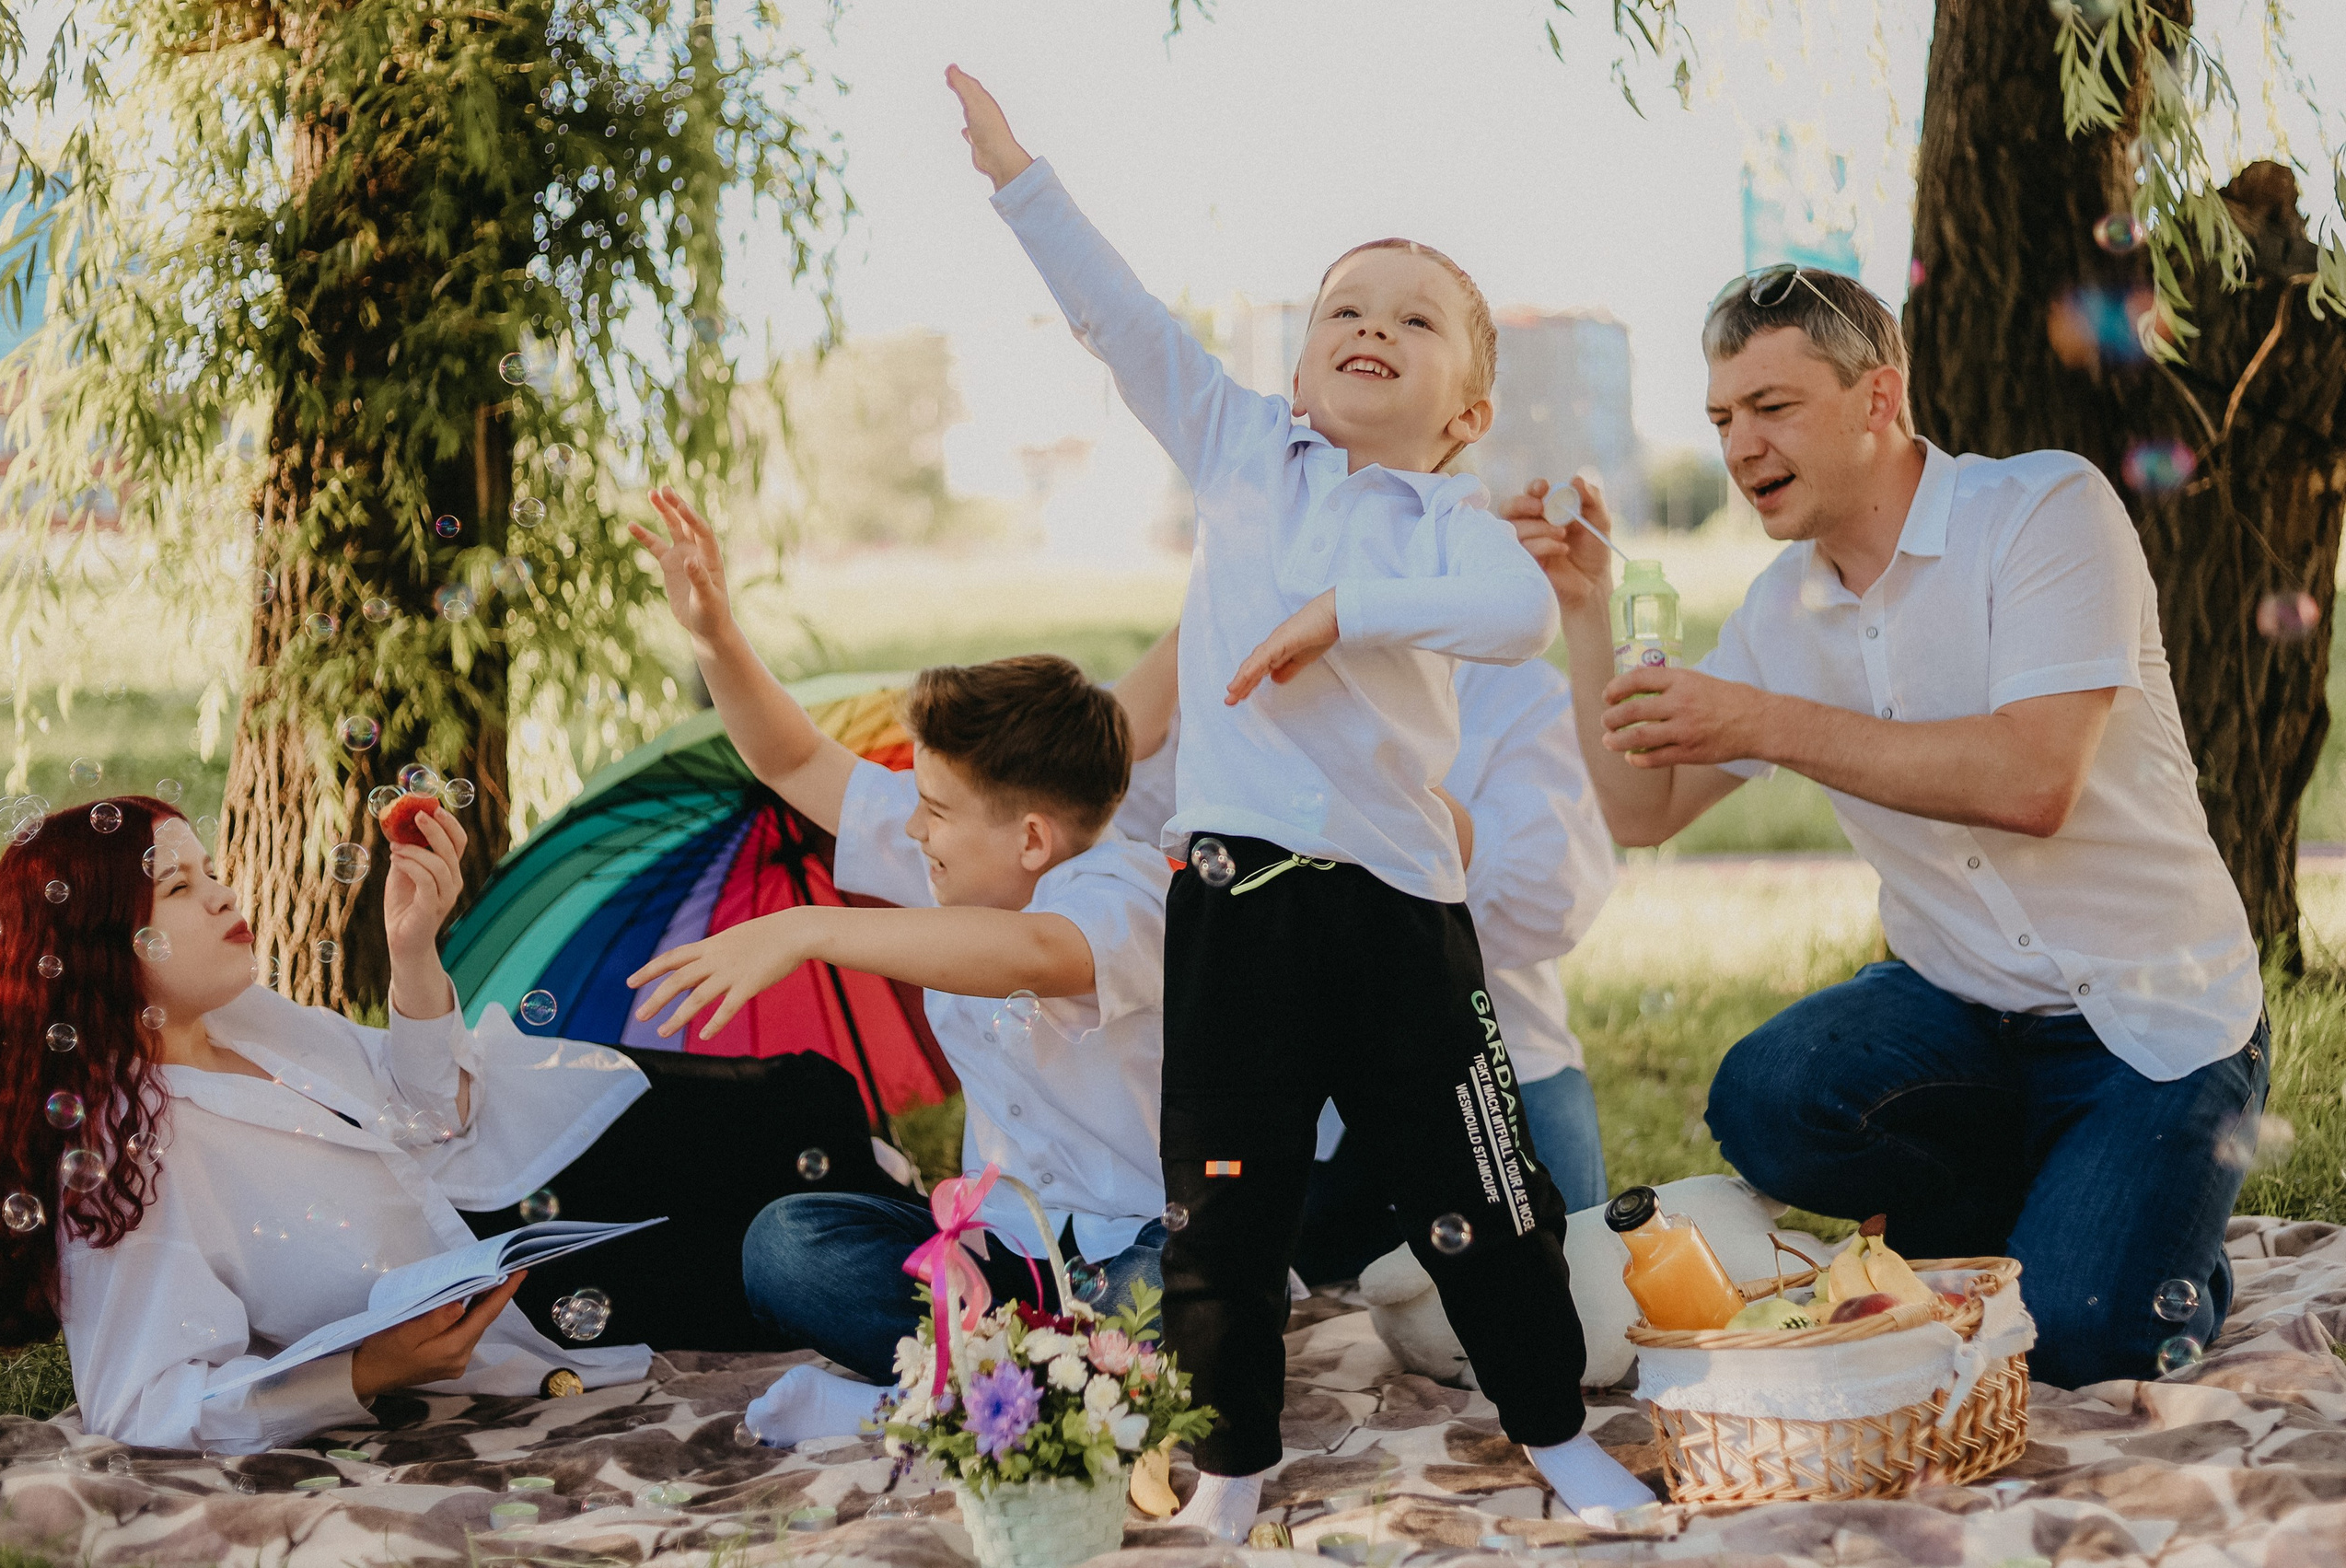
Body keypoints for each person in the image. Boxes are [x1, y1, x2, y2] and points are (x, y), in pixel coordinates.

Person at [948, 66, 1651, 1537]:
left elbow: (1514, 616)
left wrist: (1345, 608)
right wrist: (1020, 175)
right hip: (1235, 899)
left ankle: (1554, 1434)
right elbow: (1119, 317)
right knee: (1223, 1211)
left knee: (1487, 1189)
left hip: (1401, 909)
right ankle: (1237, 1462)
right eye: (1345, 308)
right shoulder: (1236, 450)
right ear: (1297, 362)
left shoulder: (1461, 519)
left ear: (1468, 412)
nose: (1372, 327)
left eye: (1413, 315)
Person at [1508, 264, 2266, 1388]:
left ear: (1877, 400)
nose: (1739, 445)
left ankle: (2147, 1253)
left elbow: (2031, 781)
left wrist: (1765, 717)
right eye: (1722, 417)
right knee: (1767, 1091)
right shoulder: (1779, 610)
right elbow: (1639, 807)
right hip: (1959, 1012)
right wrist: (1583, 612)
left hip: (2155, 1018)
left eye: (1772, 407)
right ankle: (2027, 1212)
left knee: (2077, 1339)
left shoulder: (2046, 510)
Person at [621, 487, 1172, 1448]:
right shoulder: (956, 854)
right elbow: (793, 760)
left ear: (1033, 838)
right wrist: (712, 629)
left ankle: (965, 1393)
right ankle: (1034, 1388)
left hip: (1142, 1246)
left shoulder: (1122, 894)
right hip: (1000, 1257)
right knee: (789, 1244)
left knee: (1171, 1302)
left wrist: (808, 928)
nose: (908, 826)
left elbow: (1032, 957)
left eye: (933, 807)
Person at [0, 797, 651, 1452]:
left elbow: (433, 1109)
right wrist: (366, 1372)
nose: (222, 897)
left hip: (557, 1166)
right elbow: (140, 1402)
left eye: (211, 872)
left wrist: (413, 949)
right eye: (179, 887)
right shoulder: (125, 1157)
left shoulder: (243, 1019)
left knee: (740, 1105)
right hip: (565, 1279)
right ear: (94, 942)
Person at [1113, 623, 1616, 1282]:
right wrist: (1207, 607)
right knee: (1224, 1292)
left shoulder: (1520, 693)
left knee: (1566, 1292)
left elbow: (1555, 902)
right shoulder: (1242, 667)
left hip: (1492, 1061)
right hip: (1294, 1087)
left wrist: (1374, 792)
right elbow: (1090, 791)